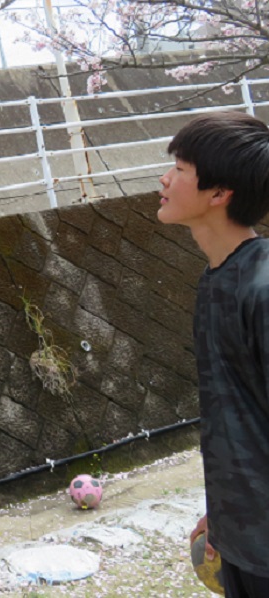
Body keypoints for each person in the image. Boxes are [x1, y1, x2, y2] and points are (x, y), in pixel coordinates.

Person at [158, 111, 269, 597]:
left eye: (180, 169)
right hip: (242, 532)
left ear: (219, 193)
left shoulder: (264, 290)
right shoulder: (217, 278)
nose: (165, 177)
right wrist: (220, 510)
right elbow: (236, 417)